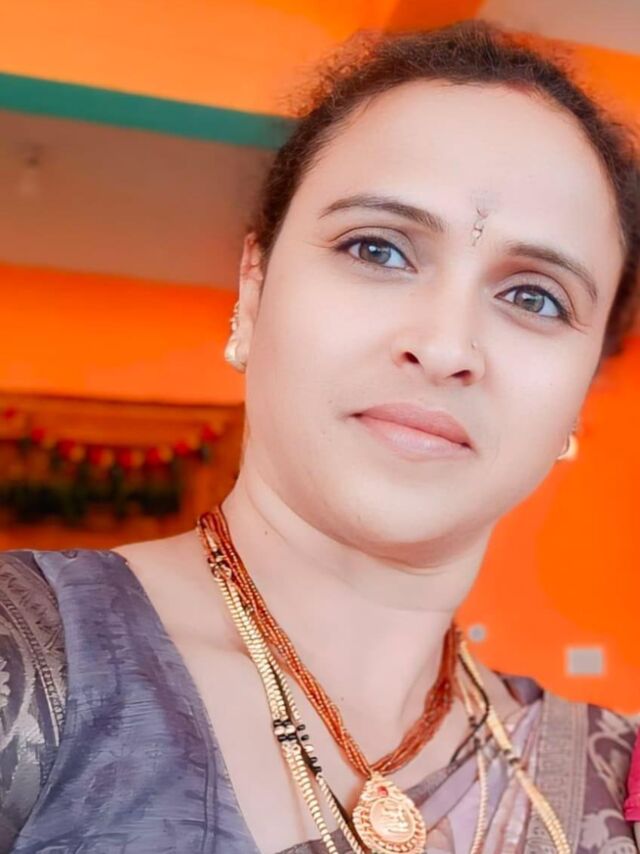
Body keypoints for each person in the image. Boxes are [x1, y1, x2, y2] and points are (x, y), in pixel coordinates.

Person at [1, 19, 638, 854]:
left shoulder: (612, 782)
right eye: (378, 248)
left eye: (535, 297)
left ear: (581, 393)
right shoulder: (27, 667)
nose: (446, 346)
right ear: (254, 288)